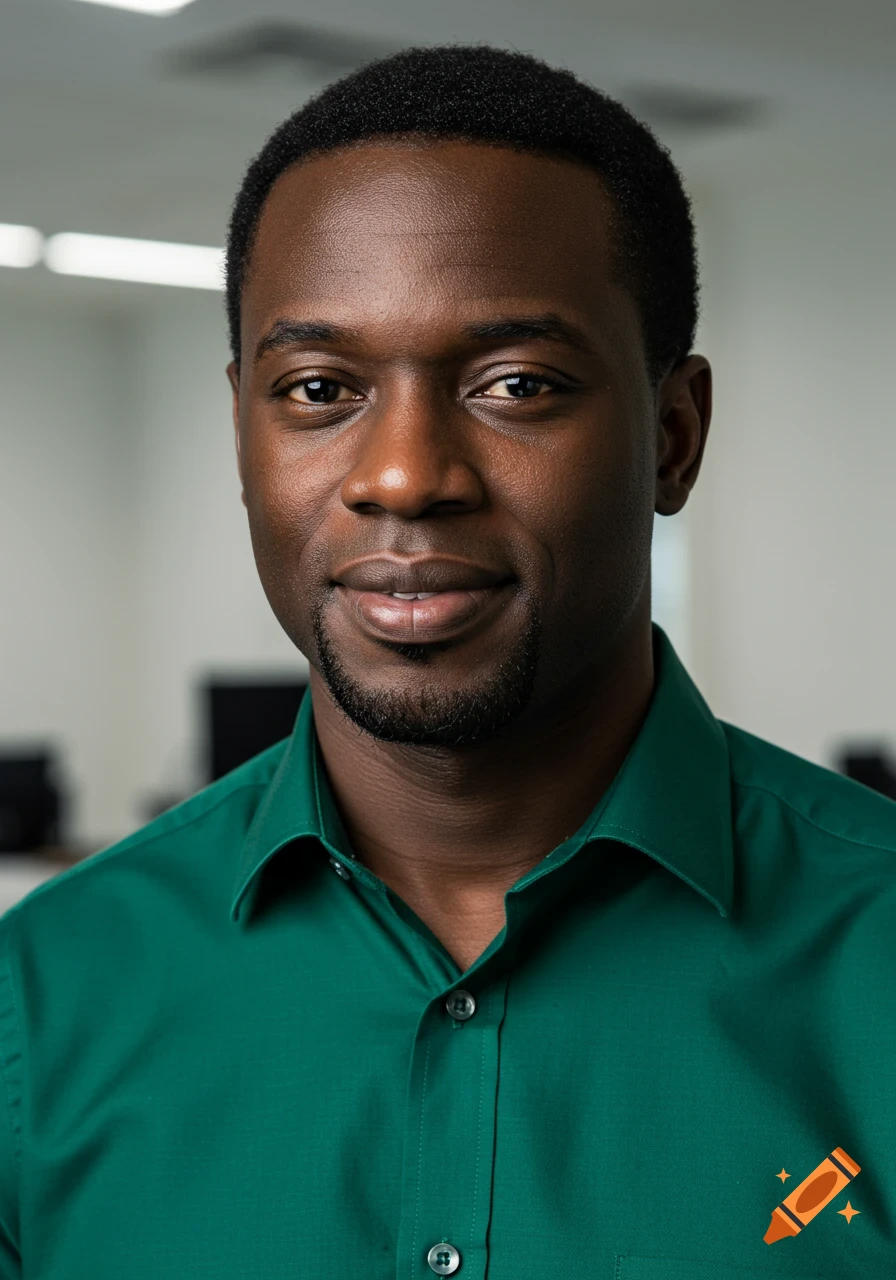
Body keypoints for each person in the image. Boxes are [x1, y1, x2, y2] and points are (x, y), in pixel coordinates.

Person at [0, 44, 892, 1280]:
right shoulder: (40, 1004)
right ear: (244, 435)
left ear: (673, 437)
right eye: (318, 388)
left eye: (515, 383)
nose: (405, 474)